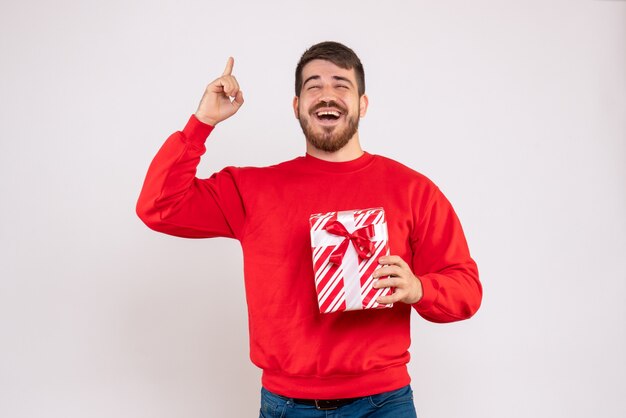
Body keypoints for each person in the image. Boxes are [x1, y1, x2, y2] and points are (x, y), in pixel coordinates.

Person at [137, 41, 482, 418]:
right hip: (286, 405)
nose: (326, 95)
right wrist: (201, 122)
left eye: (341, 85)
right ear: (297, 106)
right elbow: (158, 206)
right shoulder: (252, 190)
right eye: (313, 86)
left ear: (363, 104)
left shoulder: (413, 190)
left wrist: (418, 288)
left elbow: (466, 290)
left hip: (384, 404)